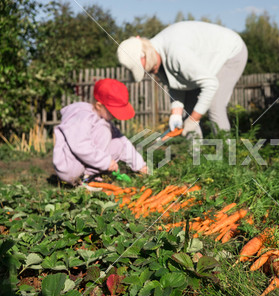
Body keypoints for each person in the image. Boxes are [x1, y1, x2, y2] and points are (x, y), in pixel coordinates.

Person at [117, 21, 248, 138]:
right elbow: (176, 84)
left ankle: (227, 155)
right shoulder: (157, 58)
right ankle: (195, 159)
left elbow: (210, 84)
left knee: (215, 105)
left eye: (147, 68)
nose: (150, 72)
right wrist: (176, 113)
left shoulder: (177, 54)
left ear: (145, 55)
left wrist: (194, 119)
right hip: (201, 62)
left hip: (230, 52)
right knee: (187, 111)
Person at [53, 78, 147, 185]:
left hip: (82, 163)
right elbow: (80, 146)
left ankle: (91, 175)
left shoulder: (101, 119)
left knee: (119, 143)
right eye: (113, 112)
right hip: (69, 167)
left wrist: (140, 165)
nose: (115, 116)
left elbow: (124, 143)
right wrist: (105, 162)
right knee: (105, 130)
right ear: (99, 106)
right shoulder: (82, 117)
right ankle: (87, 178)